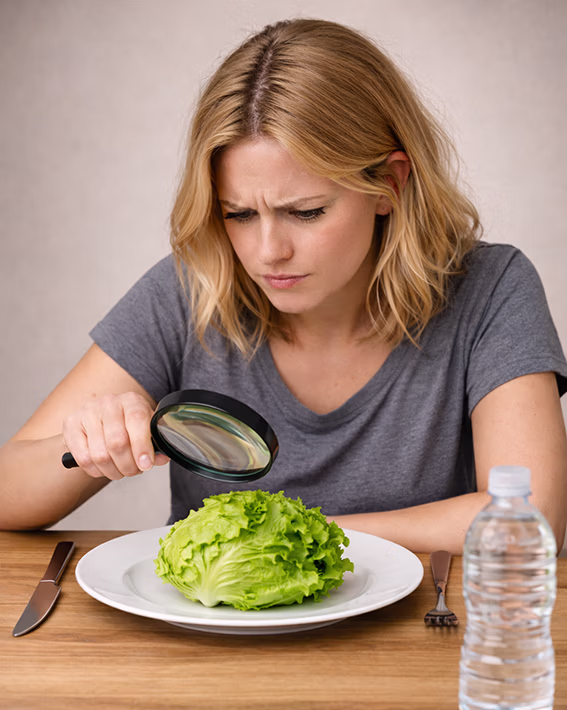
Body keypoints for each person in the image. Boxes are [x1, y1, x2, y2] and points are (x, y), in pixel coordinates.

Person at [1, 18, 566, 554]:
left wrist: (290, 536)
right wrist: (88, 443)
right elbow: (7, 491)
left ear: (389, 186)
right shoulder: (191, 290)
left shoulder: (492, 290)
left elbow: (530, 519)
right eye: (239, 214)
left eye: (306, 211)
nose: (268, 251)